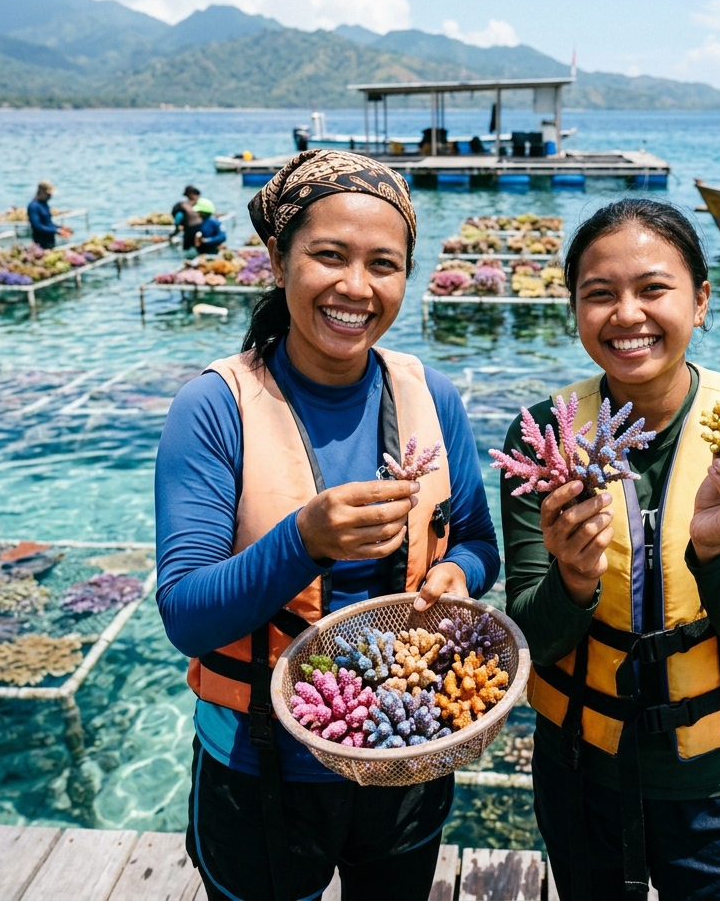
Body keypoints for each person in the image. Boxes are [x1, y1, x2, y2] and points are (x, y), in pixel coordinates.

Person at [155, 150, 500, 901]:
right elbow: (183, 614)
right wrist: (302, 540)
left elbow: (477, 540)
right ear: (279, 260)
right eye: (329, 256)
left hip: (409, 745)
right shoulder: (215, 409)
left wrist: (458, 574)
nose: (356, 287)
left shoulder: (430, 396)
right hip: (260, 765)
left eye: (383, 264)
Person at [501, 200, 720, 901]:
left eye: (654, 289)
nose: (627, 315)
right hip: (580, 771)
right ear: (574, 307)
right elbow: (532, 640)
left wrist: (718, 545)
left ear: (701, 300)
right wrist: (574, 578)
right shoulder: (541, 443)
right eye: (600, 294)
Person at [172, 185, 224, 251]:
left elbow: (222, 236)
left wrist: (206, 240)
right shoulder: (204, 220)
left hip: (204, 247)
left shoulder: (212, 221)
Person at [27, 181, 71, 248]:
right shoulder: (33, 206)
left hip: (50, 241)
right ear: (41, 191)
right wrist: (57, 231)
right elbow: (37, 226)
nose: (50, 196)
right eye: (48, 194)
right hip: (40, 243)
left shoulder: (44, 204)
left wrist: (60, 227)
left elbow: (48, 223)